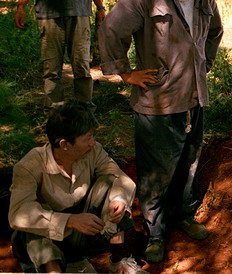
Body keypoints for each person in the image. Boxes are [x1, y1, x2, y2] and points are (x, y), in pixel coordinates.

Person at [98, 0, 225, 263]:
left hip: (194, 98)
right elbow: (112, 29)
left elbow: (215, 32)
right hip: (158, 101)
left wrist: (204, 64)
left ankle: (182, 216)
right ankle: (155, 233)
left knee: (189, 162)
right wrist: (126, 74)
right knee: (156, 171)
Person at [8, 101, 147, 273]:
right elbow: (18, 214)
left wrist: (118, 198)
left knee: (111, 185)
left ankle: (118, 264)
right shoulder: (29, 165)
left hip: (84, 231)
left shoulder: (93, 151)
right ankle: (56, 269)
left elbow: (118, 176)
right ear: (65, 144)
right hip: (49, 240)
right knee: (32, 223)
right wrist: (70, 221)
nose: (92, 142)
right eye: (87, 138)